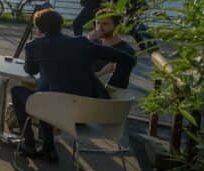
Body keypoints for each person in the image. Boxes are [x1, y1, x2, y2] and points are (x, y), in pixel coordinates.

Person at [11, 8, 137, 160]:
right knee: (47, 93)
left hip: (58, 110)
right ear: (61, 25)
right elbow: (128, 60)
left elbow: (30, 69)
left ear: (38, 29)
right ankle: (48, 148)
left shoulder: (33, 46)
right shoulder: (82, 42)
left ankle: (29, 143)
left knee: (20, 91)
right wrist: (114, 87)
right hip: (93, 112)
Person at [86, 13, 137, 89]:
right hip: (87, 88)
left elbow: (112, 79)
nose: (99, 27)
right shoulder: (94, 42)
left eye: (105, 24)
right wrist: (87, 42)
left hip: (107, 93)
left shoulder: (126, 51)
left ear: (117, 26)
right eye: (98, 23)